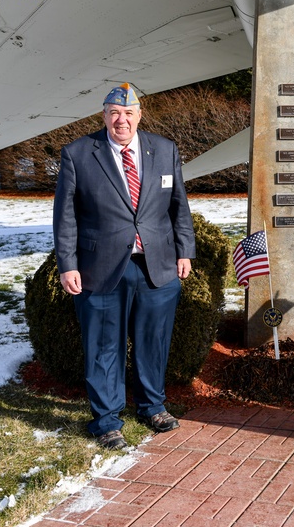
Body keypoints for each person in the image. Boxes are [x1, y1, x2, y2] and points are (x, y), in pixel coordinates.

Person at [54, 83, 195, 450]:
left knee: (154, 341)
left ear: (139, 116)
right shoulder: (79, 154)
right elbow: (65, 216)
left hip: (157, 265)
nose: (122, 120)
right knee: (103, 347)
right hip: (99, 268)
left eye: (129, 113)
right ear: (103, 115)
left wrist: (185, 251)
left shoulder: (164, 150)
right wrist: (68, 264)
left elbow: (179, 205)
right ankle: (107, 421)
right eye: (114, 113)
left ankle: (153, 406)